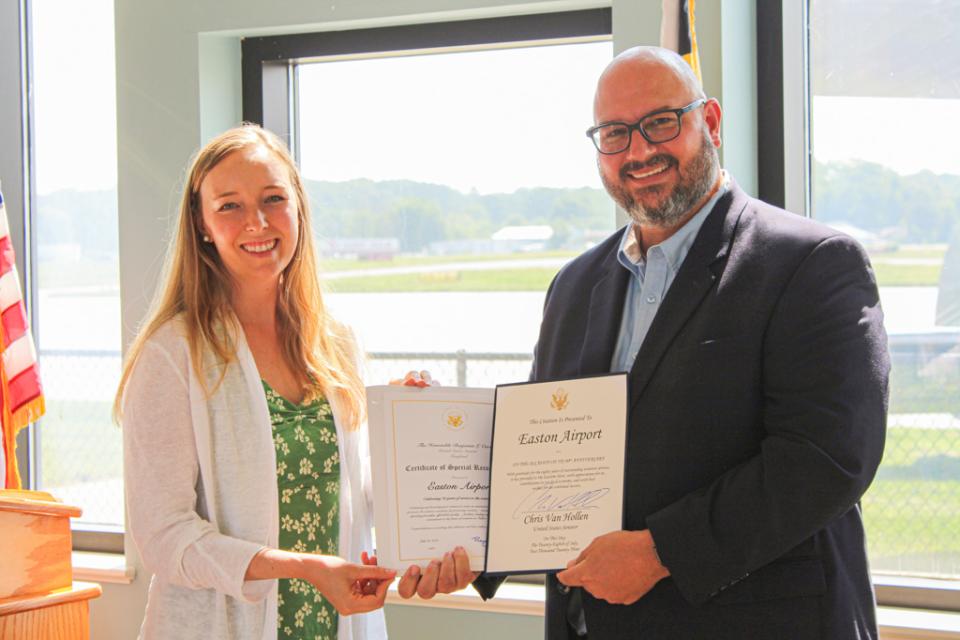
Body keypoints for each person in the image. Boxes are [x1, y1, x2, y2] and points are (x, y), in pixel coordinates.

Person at [476, 46, 890, 639]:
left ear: (711, 122)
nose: (639, 150)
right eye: (615, 133)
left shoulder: (813, 263)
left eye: (660, 123)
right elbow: (542, 457)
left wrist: (660, 551)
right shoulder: (573, 286)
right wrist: (464, 544)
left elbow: (826, 458)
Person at [114, 125, 471, 640]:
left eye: (273, 199)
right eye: (230, 206)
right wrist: (302, 567)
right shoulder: (173, 356)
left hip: (336, 625)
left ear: (298, 207)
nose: (256, 222)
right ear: (202, 225)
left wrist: (407, 436)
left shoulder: (337, 343)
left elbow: (350, 493)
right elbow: (165, 538)